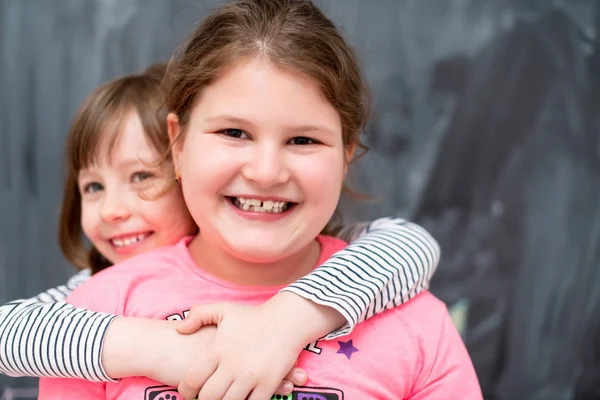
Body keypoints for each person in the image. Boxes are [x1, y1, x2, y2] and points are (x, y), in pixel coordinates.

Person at [38, 0, 482, 398]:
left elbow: (411, 245)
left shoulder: (415, 321)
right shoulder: (96, 312)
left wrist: (287, 321)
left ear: (346, 156)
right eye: (234, 132)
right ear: (178, 144)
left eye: (304, 140)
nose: (266, 173)